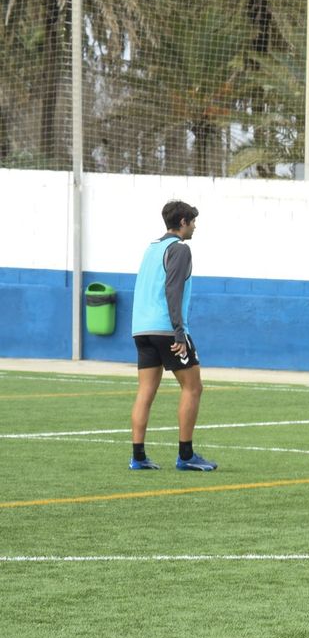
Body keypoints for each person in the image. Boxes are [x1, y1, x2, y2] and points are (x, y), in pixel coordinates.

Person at [128, 200, 215, 472]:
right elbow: (173, 290)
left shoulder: (152, 248)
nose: (195, 226)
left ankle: (138, 456)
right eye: (192, 221)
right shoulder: (180, 249)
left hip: (142, 329)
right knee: (193, 387)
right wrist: (179, 332)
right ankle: (186, 455)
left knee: (145, 391)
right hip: (168, 329)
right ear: (182, 223)